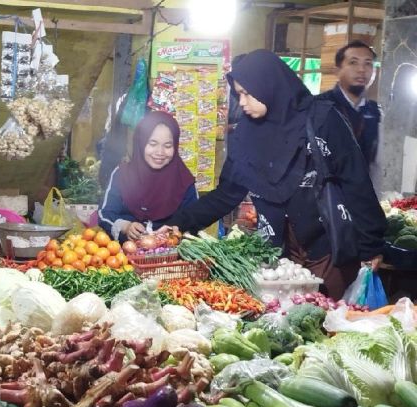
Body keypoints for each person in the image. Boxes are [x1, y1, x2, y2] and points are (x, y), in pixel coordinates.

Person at [160, 49, 386, 300]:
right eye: (239, 94)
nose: (241, 102)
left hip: (329, 248)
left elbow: (356, 181)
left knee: (326, 314)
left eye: (246, 93)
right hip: (278, 255)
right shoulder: (246, 136)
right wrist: (179, 223)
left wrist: (371, 244)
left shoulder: (322, 120)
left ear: (268, 85)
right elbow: (225, 195)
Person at [98, 111, 198, 242]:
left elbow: (194, 220)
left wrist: (176, 232)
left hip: (170, 254)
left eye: (168, 146)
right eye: (152, 144)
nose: (160, 152)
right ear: (141, 143)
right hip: (123, 253)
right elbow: (105, 214)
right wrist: (125, 226)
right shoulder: (122, 174)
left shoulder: (184, 180)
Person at [318, 41, 381, 171]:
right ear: (337, 71)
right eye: (353, 62)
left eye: (368, 63)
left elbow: (376, 163)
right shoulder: (319, 107)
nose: (361, 70)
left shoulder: (376, 112)